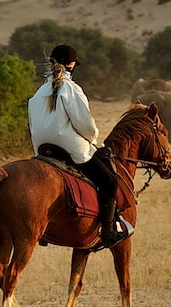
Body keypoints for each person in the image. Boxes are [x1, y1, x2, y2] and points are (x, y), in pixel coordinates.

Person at [27, 44, 122, 247]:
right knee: (110, 182)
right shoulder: (71, 89)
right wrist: (93, 139)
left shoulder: (38, 93)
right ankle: (108, 232)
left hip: (43, 150)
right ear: (72, 65)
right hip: (71, 151)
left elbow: (33, 125)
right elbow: (84, 124)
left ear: (52, 62)